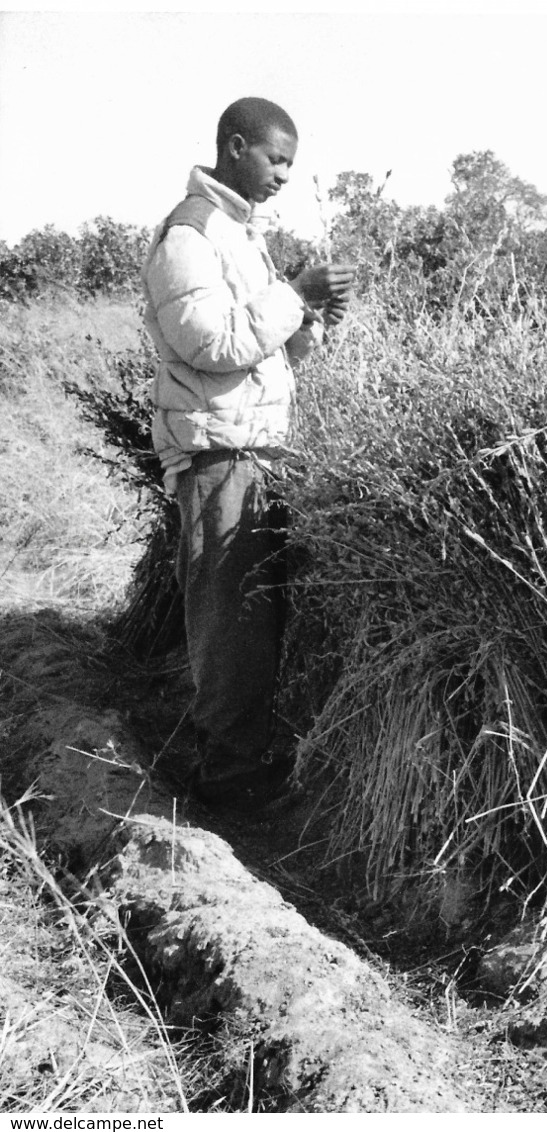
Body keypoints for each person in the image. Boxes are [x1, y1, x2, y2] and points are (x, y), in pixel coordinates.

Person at [141, 96, 353, 813]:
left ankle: (239, 763)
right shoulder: (191, 234)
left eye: (292, 161)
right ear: (236, 148)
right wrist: (294, 292)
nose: (286, 174)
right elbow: (213, 345)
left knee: (250, 618)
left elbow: (267, 353)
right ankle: (229, 782)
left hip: (254, 451)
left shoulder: (236, 232)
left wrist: (311, 317)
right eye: (276, 158)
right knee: (230, 622)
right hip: (218, 455)